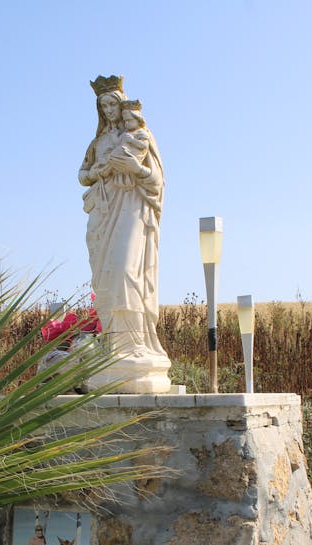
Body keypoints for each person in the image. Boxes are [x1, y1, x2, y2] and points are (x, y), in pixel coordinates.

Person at [78, 77, 171, 391]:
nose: (109, 110)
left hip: (132, 207)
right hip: (104, 210)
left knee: (124, 271)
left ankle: (135, 344)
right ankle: (113, 343)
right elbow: (82, 174)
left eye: (113, 104)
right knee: (105, 277)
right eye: (103, 106)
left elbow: (157, 180)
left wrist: (134, 168)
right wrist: (99, 172)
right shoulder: (99, 141)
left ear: (123, 104)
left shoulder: (141, 135)